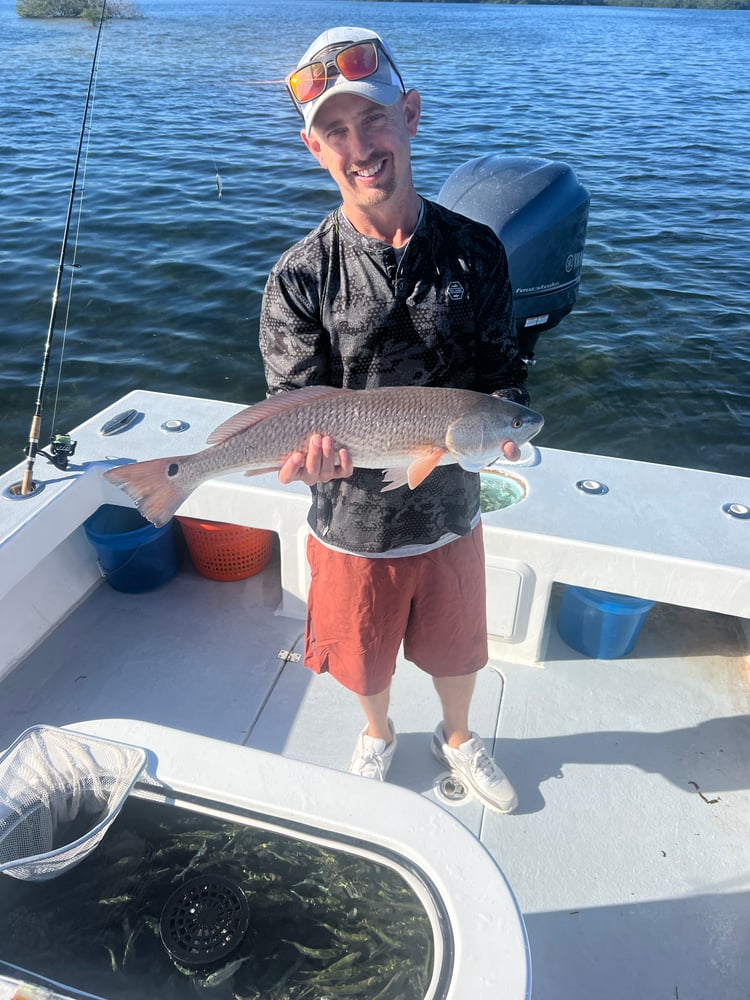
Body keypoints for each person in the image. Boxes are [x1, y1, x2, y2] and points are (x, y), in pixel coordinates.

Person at [259, 26, 530, 813]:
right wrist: (307, 457)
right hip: (351, 524)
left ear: (410, 115)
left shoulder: (478, 254)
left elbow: (503, 378)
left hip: (450, 514)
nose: (359, 146)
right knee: (364, 658)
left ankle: (456, 734)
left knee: (458, 651)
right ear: (315, 149)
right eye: (334, 131)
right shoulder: (300, 276)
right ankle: (377, 735)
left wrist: (502, 428)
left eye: (373, 119)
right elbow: (295, 405)